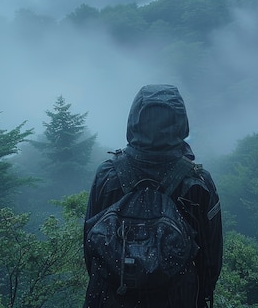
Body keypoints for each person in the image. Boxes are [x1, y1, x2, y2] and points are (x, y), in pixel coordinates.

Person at [83, 84, 223, 308]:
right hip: (178, 299)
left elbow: (90, 244)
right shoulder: (198, 182)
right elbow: (211, 258)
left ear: (134, 120)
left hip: (111, 296)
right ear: (180, 122)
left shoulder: (107, 174)